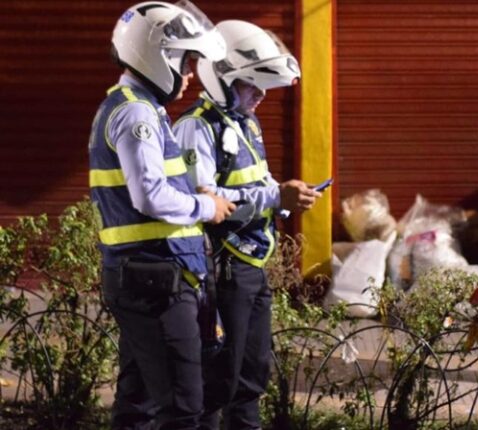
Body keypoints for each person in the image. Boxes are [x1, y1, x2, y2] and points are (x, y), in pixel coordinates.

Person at [88, 2, 236, 428]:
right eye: (186, 62)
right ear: (158, 56)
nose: (191, 75)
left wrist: (196, 191)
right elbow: (150, 196)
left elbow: (156, 186)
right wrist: (207, 207)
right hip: (153, 283)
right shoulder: (137, 113)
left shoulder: (140, 107)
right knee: (182, 407)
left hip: (148, 279)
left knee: (139, 405)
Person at [173, 20, 320, 430]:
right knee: (220, 374)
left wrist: (288, 199)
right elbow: (204, 201)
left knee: (252, 373)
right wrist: (275, 197)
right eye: (251, 86)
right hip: (218, 267)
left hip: (252, 265)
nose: (261, 96)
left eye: (263, 87)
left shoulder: (245, 122)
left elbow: (258, 182)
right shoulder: (196, 127)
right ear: (221, 78)